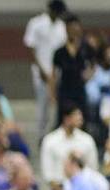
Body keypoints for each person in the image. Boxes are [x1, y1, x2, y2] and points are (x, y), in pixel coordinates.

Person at [24, 0, 68, 140]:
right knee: (42, 104)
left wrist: (55, 73)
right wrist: (42, 70)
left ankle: (54, 132)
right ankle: (41, 135)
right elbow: (31, 48)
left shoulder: (61, 26)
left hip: (56, 72)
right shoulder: (36, 23)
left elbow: (62, 50)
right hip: (41, 71)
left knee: (56, 104)